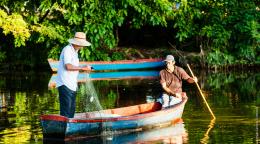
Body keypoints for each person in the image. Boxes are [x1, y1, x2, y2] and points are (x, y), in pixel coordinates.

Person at [56, 32, 93, 118]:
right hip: (65, 84)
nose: (82, 46)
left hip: (72, 85)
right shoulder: (67, 49)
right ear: (76, 43)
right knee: (66, 111)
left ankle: (70, 128)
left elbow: (74, 68)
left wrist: (83, 68)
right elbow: (68, 66)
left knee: (71, 110)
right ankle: (64, 129)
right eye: (81, 44)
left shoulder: (75, 52)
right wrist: (82, 68)